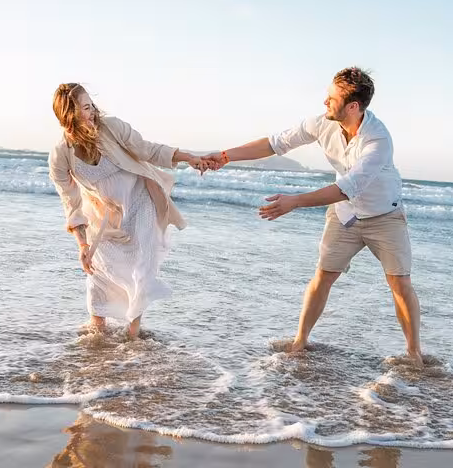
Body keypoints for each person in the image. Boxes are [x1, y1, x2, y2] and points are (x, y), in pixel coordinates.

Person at [202, 67, 423, 366]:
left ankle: (414, 355)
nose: (325, 103)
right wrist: (227, 156)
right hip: (345, 216)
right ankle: (300, 341)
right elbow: (273, 143)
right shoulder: (321, 124)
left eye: (332, 98)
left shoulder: (378, 140)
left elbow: (348, 187)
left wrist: (295, 202)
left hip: (385, 216)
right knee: (323, 276)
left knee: (399, 283)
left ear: (353, 107)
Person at [49, 83, 206, 338]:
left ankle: (132, 336)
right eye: (84, 108)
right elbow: (71, 203)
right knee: (98, 270)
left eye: (91, 105)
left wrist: (190, 157)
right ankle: (96, 332)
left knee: (142, 264)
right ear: (69, 116)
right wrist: (82, 245)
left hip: (140, 200)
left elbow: (148, 149)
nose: (92, 112)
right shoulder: (60, 154)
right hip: (103, 214)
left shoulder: (111, 127)